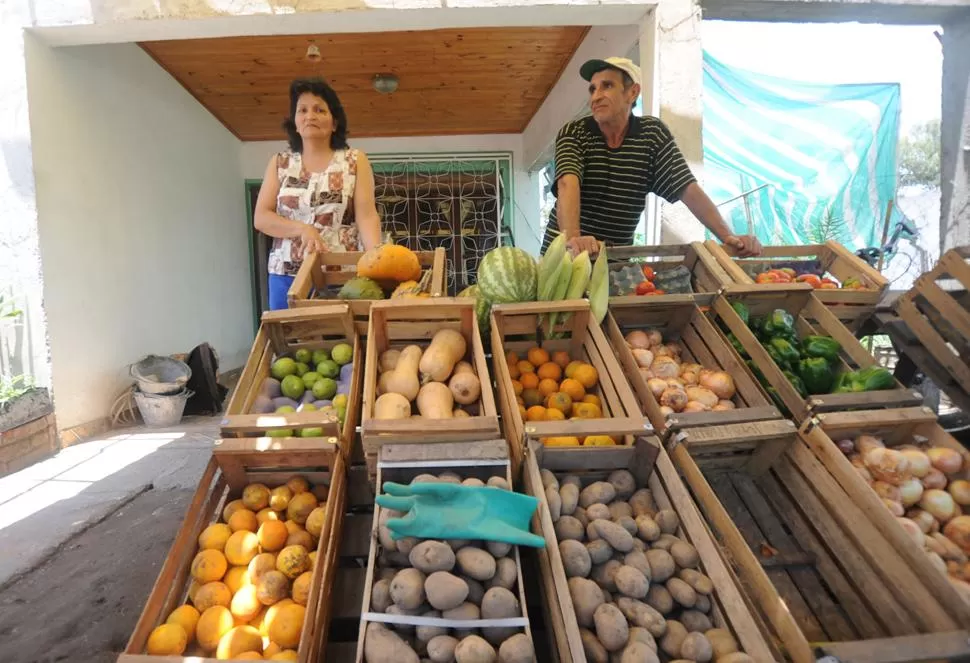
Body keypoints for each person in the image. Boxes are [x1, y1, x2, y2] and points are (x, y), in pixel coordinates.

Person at [542, 57, 762, 258]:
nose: (596, 96)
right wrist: (573, 239)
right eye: (592, 89)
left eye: (607, 86)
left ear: (633, 92)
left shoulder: (652, 135)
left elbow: (686, 187)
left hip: (614, 257)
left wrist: (728, 237)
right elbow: (566, 183)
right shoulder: (575, 132)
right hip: (564, 256)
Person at [255, 77, 383, 310]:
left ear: (334, 122)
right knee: (291, 343)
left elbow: (366, 216)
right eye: (302, 110)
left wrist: (378, 261)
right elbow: (261, 217)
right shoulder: (280, 163)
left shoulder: (354, 161)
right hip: (286, 275)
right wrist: (303, 229)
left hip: (340, 276)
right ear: (295, 122)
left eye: (319, 110)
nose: (310, 116)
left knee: (342, 343)